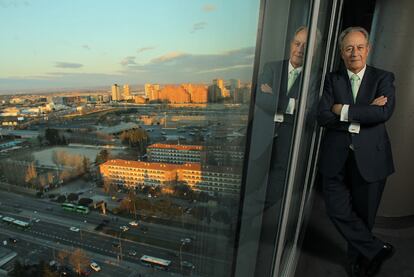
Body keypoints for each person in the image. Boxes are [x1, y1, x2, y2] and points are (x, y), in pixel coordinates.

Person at [317, 26, 396, 277]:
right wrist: (365, 110)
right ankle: (376, 249)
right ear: (342, 53)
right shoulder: (332, 79)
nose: (355, 53)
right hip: (336, 157)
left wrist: (341, 109)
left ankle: (358, 262)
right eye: (349, 48)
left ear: (368, 49)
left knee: (364, 215)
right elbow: (321, 116)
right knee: (336, 209)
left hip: (371, 157)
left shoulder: (383, 78)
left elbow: (383, 112)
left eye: (360, 47)